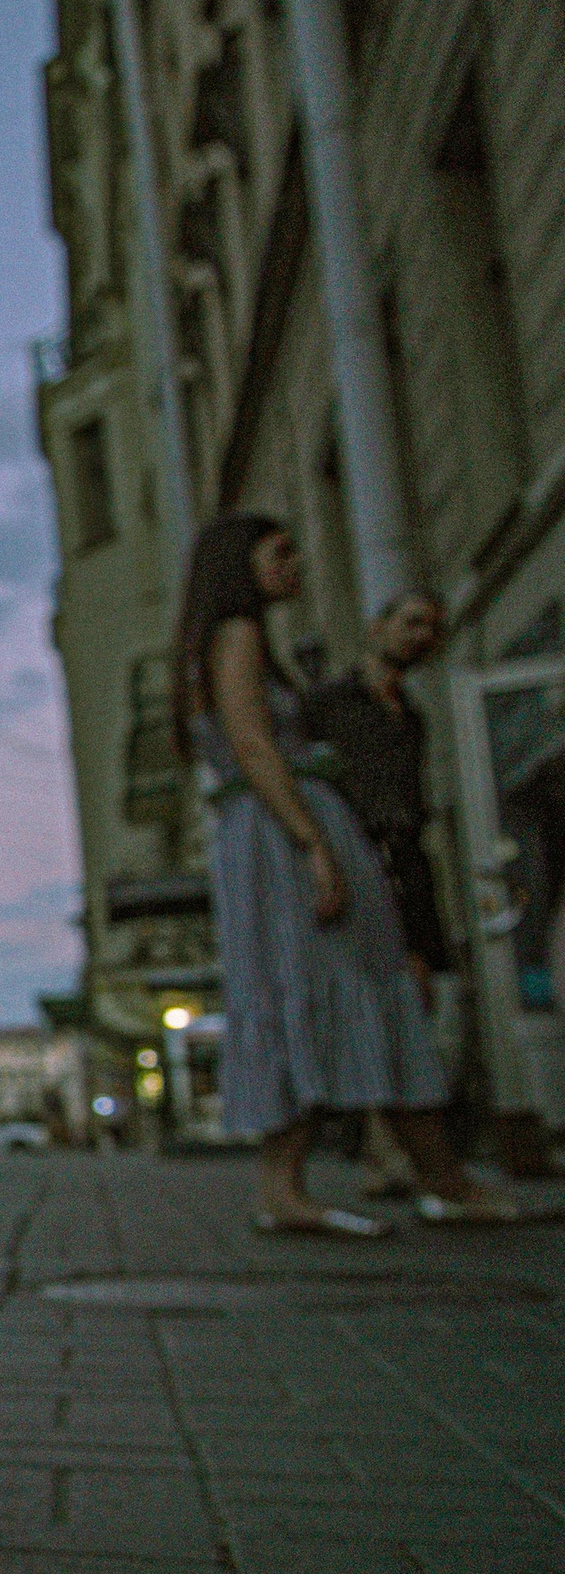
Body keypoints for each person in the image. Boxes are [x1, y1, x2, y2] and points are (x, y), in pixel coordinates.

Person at [178, 515, 511, 1231]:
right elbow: (253, 746)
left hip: (270, 832)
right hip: (285, 833)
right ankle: (428, 1180)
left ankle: (305, 1188)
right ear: (241, 562)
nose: (296, 564)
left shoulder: (226, 641)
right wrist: (314, 844)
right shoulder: (238, 634)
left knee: (315, 991)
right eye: (281, 552)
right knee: (356, 986)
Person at [302, 591, 456, 1196]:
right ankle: (383, 1149)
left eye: (432, 628)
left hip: (408, 861)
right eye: (412, 622)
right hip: (355, 856)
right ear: (377, 626)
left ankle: (400, 1147)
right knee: (370, 998)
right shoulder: (330, 703)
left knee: (417, 994)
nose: (422, 636)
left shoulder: (411, 715)